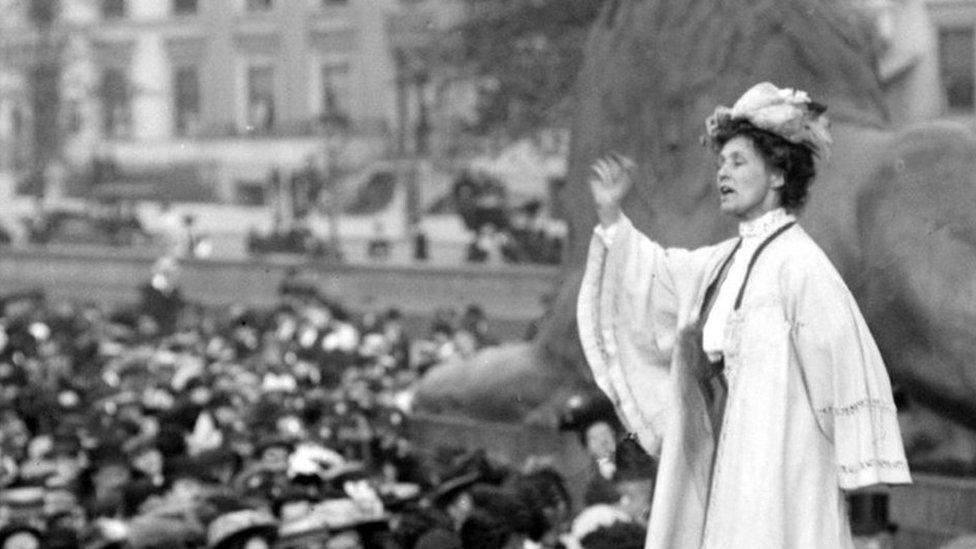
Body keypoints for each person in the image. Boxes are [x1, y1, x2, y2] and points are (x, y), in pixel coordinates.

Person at [576, 82, 911, 548]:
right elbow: (656, 276)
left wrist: (854, 459)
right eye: (720, 164)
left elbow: (843, 362)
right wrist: (612, 216)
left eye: (738, 162)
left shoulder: (803, 267)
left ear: (777, 174)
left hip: (781, 473)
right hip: (726, 463)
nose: (723, 174)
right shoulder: (723, 260)